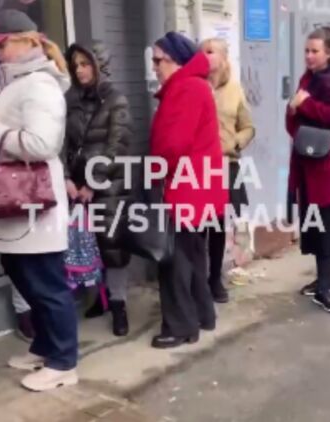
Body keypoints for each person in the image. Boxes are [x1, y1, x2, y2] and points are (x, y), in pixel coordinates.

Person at [0, 9, 79, 391]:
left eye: (2, 46)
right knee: (25, 277)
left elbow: (41, 144)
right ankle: (46, 347)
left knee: (46, 284)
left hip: (33, 202)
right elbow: (6, 134)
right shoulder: (15, 82)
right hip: (17, 201)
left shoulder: (39, 85)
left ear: (27, 41)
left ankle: (63, 363)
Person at [149, 31, 229, 349]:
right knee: (194, 257)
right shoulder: (194, 85)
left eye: (159, 60)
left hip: (184, 189)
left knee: (175, 263)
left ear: (176, 60)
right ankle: (203, 315)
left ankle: (181, 326)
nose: (155, 67)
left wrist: (154, 172)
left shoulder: (184, 88)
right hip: (197, 189)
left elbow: (172, 145)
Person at [62, 40, 146, 337]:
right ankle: (101, 297)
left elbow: (118, 146)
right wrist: (66, 178)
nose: (79, 70)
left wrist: (92, 182)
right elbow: (61, 143)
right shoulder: (69, 100)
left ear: (99, 65)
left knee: (112, 246)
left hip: (110, 186)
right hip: (77, 187)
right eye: (75, 65)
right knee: (88, 243)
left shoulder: (115, 100)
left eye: (85, 64)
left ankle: (119, 304)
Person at [285, 27, 330, 314]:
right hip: (309, 159)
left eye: (314, 51)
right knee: (314, 221)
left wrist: (305, 104)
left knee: (327, 221)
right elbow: (295, 114)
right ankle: (323, 278)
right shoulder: (309, 78)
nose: (309, 56)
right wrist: (293, 110)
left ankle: (326, 287)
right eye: (306, 50)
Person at [200, 38, 255, 304]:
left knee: (218, 225)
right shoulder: (195, 86)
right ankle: (198, 279)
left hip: (225, 164)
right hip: (198, 167)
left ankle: (215, 278)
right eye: (202, 52)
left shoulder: (234, 90)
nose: (205, 56)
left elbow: (248, 127)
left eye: (210, 52)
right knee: (197, 225)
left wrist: (235, 143)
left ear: (223, 57)